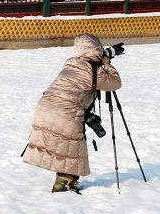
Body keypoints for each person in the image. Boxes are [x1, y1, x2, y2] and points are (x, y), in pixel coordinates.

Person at [22, 34, 122, 193]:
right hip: (65, 114)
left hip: (44, 108)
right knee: (72, 150)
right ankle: (62, 187)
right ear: (96, 50)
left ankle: (67, 183)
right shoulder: (93, 72)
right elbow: (115, 83)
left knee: (65, 149)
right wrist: (107, 64)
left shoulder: (71, 65)